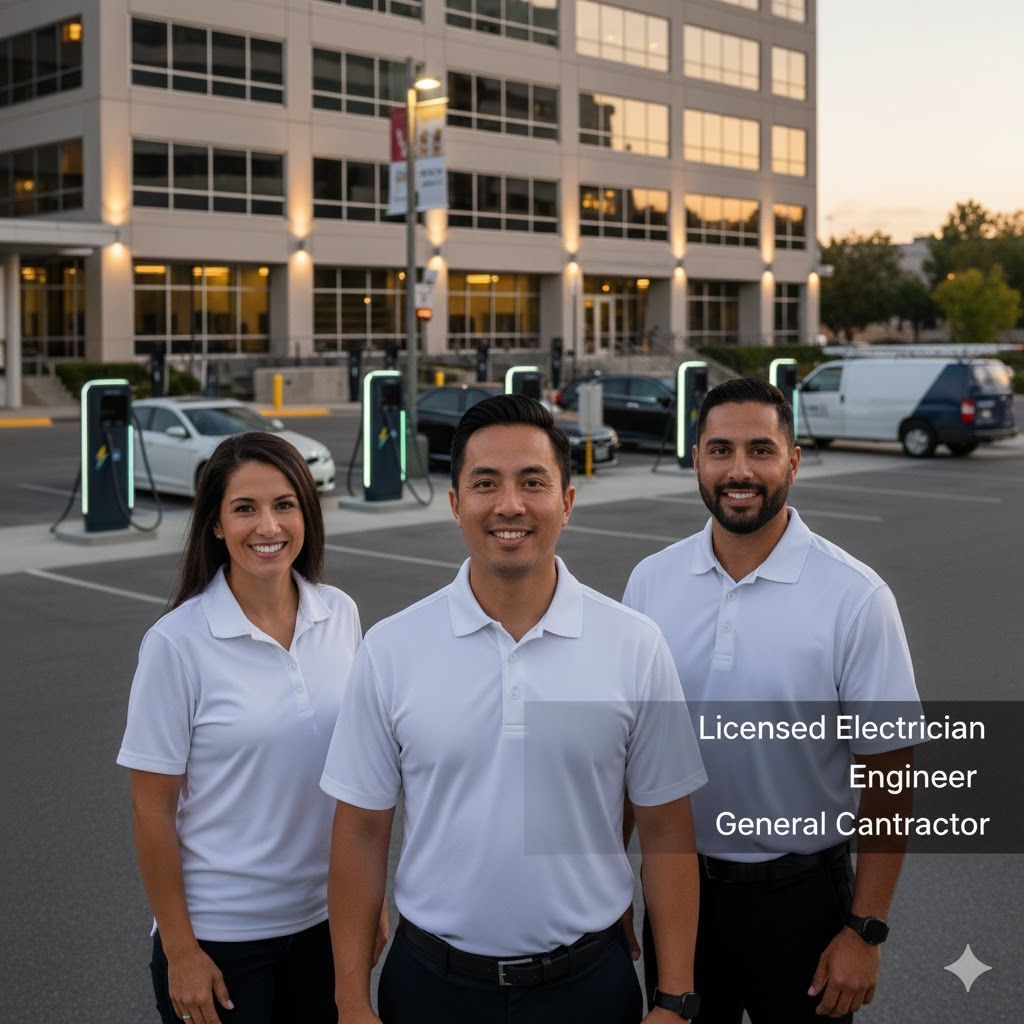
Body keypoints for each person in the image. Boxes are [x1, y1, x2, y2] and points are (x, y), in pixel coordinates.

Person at [321, 395, 707, 1024]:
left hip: (588, 988)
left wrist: (676, 997)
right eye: (484, 484)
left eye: (533, 483)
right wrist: (349, 1001)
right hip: (431, 988)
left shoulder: (634, 644)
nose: (509, 505)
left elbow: (666, 829)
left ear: (567, 501)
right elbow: (361, 830)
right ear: (454, 504)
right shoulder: (391, 648)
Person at [623, 378, 922, 1023]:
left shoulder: (855, 597)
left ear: (793, 459)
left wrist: (865, 930)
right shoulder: (650, 582)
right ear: (696, 457)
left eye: (761, 449)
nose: (739, 470)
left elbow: (891, 775)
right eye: (720, 449)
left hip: (803, 900)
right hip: (679, 892)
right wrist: (608, 881)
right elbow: (628, 748)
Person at [117, 432, 373, 1024]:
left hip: (324, 925)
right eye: (244, 508)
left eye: (285, 505)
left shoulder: (341, 614)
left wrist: (364, 902)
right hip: (221, 939)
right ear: (214, 525)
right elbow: (151, 811)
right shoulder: (176, 644)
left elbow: (356, 778)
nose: (268, 526)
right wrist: (181, 952)